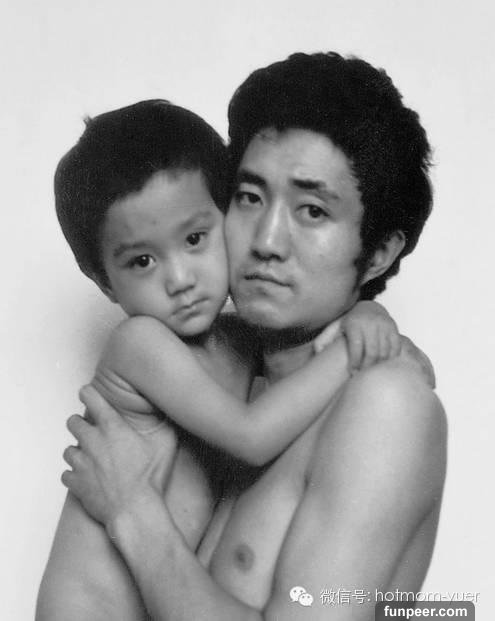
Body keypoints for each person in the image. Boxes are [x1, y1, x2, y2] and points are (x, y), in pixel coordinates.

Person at [46, 51, 446, 621]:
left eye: (312, 210)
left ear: (379, 253)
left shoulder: (385, 403)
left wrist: (132, 510)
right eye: (250, 198)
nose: (266, 241)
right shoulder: (234, 382)